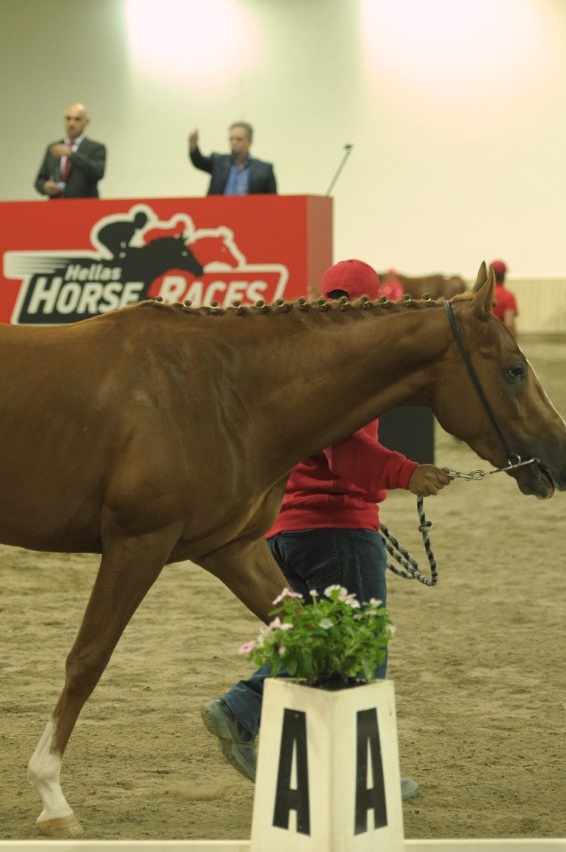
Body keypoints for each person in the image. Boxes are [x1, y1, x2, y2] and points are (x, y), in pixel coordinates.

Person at [201, 259, 452, 802]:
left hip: (283, 530)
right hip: (337, 530)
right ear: (371, 304)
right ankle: (357, 776)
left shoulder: (300, 359)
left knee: (322, 647)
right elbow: (346, 451)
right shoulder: (350, 367)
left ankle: (276, 737)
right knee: (360, 652)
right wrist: (409, 473)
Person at [34, 102, 107, 199]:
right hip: (56, 206)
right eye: (68, 119)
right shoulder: (53, 147)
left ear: (86, 122)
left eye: (77, 119)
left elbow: (98, 172)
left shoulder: (96, 148)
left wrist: (71, 155)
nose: (71, 123)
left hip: (85, 207)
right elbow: (39, 180)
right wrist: (45, 186)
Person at [188, 122, 277, 196]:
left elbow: (273, 201)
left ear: (250, 141)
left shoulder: (264, 170)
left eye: (239, 139)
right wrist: (193, 146)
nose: (234, 142)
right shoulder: (218, 162)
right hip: (218, 213)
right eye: (231, 139)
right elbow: (199, 162)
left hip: (251, 214)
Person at [489, 259, 518, 338]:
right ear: (504, 276)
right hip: (501, 341)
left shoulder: (482, 295)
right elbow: (509, 324)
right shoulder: (508, 296)